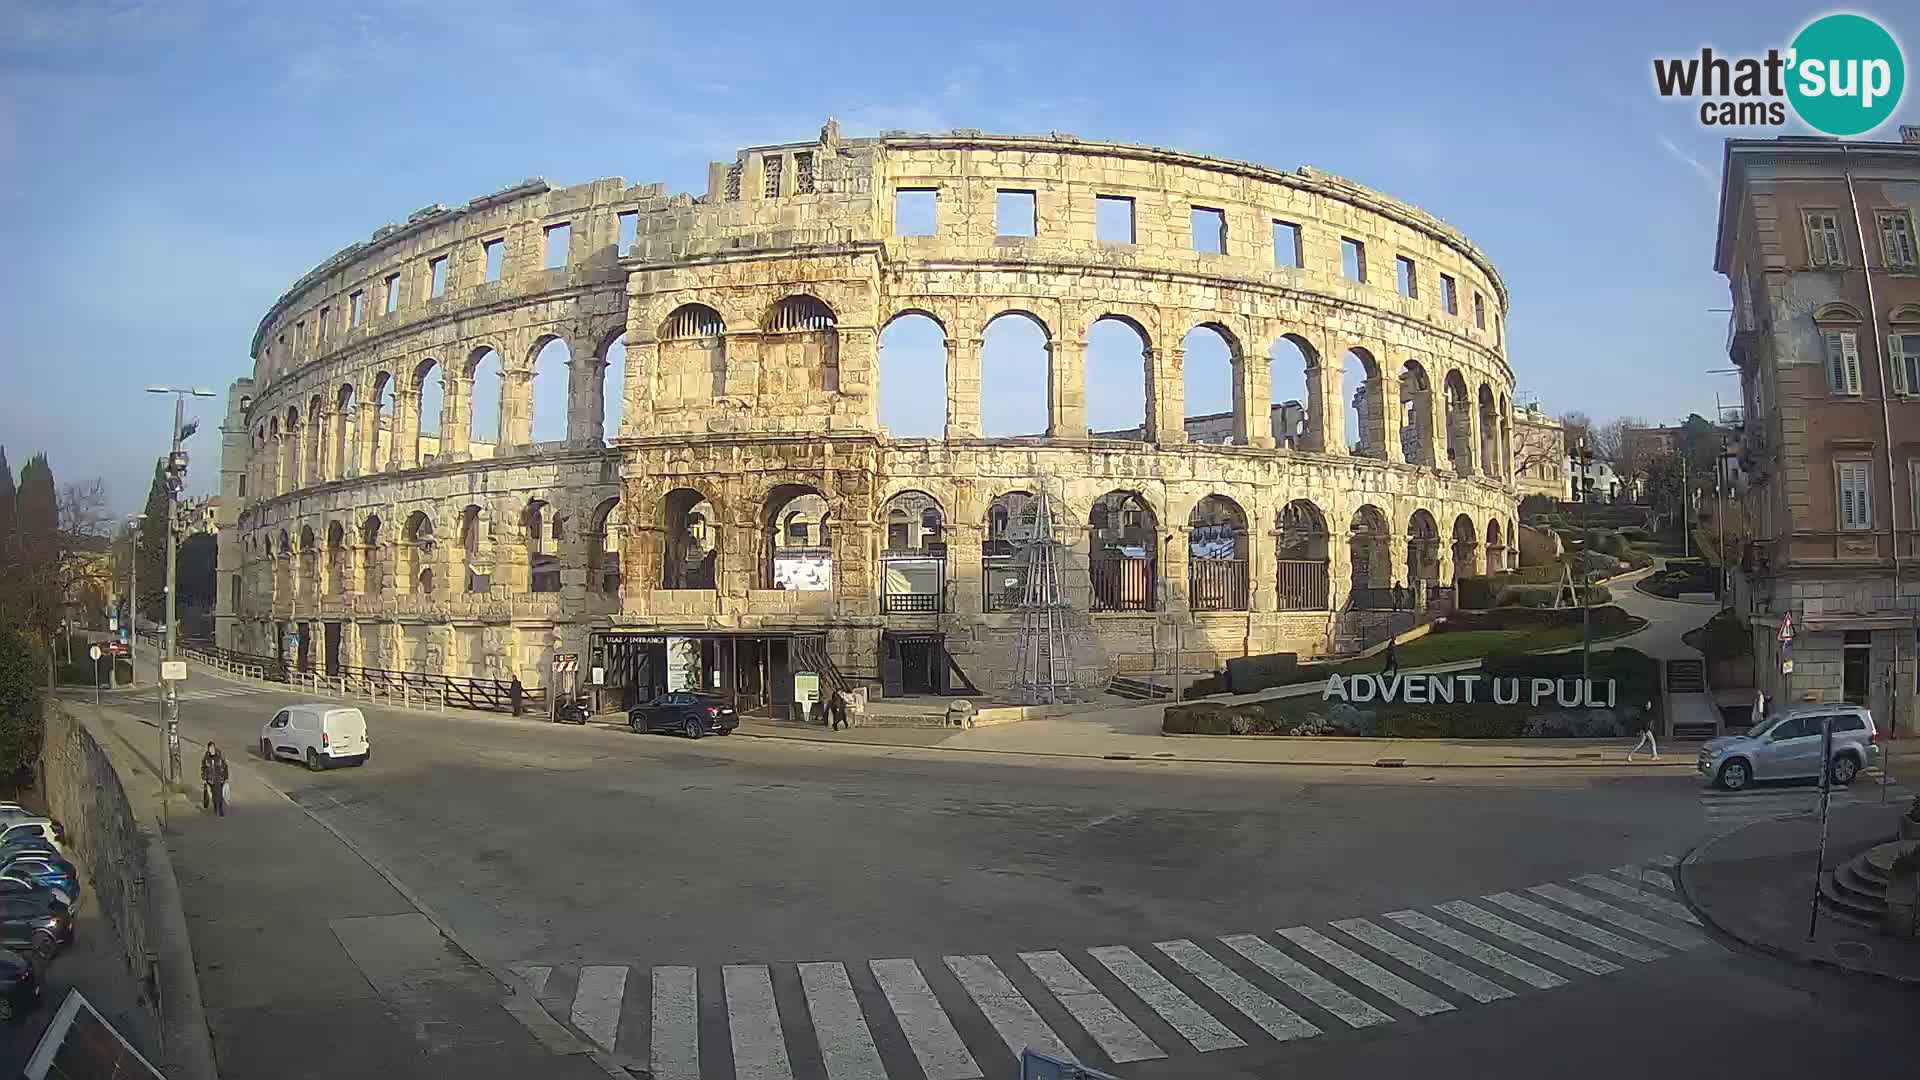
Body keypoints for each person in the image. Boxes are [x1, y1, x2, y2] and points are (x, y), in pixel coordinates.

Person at [201, 742, 230, 816]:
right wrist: (204, 778)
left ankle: (220, 809)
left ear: (214, 747)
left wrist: (226, 777)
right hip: (211, 779)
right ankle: (215, 806)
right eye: (209, 748)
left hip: (220, 778)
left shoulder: (220, 755)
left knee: (220, 794)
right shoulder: (206, 757)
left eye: (212, 748)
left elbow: (225, 766)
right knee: (214, 794)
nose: (211, 750)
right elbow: (203, 768)